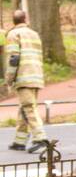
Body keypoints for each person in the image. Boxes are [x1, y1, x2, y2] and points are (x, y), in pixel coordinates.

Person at [6, 10, 47, 153]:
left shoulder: (13, 34)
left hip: (23, 77)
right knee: (24, 107)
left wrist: (9, 78)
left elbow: (14, 58)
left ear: (13, 21)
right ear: (26, 19)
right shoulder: (34, 34)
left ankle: (40, 139)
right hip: (36, 76)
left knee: (28, 107)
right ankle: (20, 141)